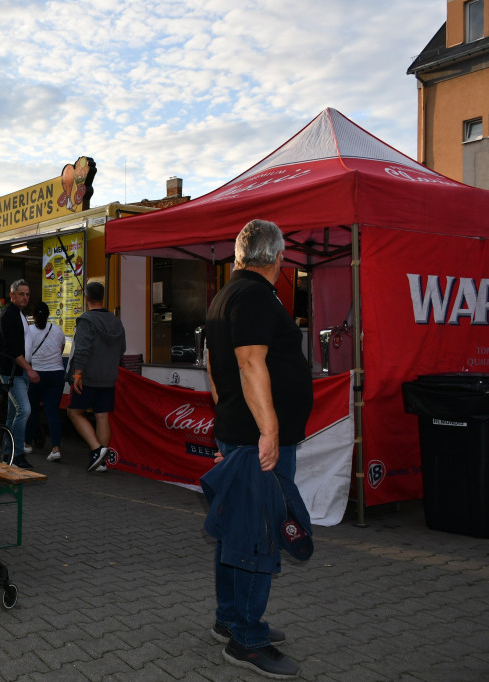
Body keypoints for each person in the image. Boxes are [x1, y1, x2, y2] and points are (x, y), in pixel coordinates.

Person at [203, 219, 313, 679]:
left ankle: (230, 618)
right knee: (258, 536)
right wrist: (268, 429)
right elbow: (249, 362)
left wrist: (228, 409)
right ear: (278, 258)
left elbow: (212, 365)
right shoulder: (251, 295)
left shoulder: (229, 293)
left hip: (241, 431)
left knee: (236, 529)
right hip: (257, 438)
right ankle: (247, 639)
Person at [66, 281, 127, 472]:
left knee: (74, 412)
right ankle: (101, 461)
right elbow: (122, 349)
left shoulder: (86, 320)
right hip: (109, 376)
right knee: (102, 415)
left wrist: (77, 374)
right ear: (102, 298)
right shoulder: (116, 321)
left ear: (86, 298)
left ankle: (96, 449)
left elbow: (82, 349)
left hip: (88, 376)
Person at [0, 279, 37, 469]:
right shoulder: (9, 315)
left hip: (18, 371)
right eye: (21, 294)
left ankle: (8, 454)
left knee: (14, 412)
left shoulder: (18, 314)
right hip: (13, 372)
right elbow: (12, 348)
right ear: (11, 295)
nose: (25, 297)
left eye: (27, 294)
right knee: (24, 410)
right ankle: (17, 455)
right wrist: (28, 368)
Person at [24, 302, 66, 462]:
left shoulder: (29, 331)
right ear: (48, 315)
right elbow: (61, 349)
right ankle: (56, 448)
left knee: (32, 410)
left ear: (33, 316)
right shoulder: (57, 330)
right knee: (52, 412)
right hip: (56, 374)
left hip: (36, 375)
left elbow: (26, 353)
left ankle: (27, 444)